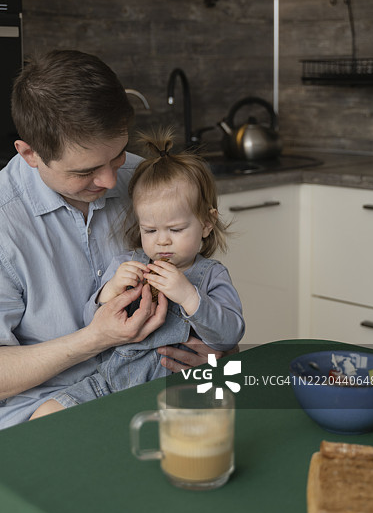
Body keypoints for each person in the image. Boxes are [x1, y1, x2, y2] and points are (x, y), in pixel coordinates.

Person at [0, 50, 231, 438]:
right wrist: (96, 338)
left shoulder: (142, 181)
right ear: (30, 154)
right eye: (86, 171)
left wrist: (214, 353)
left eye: (117, 154)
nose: (112, 181)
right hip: (48, 409)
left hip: (150, 385)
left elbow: (210, 294)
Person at [33, 129, 244, 415]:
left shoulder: (210, 275)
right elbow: (90, 323)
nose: (162, 240)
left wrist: (188, 296)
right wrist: (108, 292)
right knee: (46, 413)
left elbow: (229, 336)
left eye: (176, 229)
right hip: (110, 382)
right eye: (150, 230)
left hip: (176, 388)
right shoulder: (128, 262)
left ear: (207, 223)